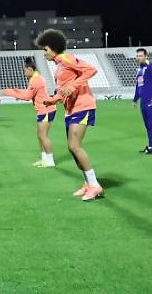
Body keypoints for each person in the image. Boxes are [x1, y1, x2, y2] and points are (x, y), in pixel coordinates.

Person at [37, 29, 103, 200]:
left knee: (75, 146)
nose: (44, 52)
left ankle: (95, 185)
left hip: (83, 105)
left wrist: (74, 85)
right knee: (72, 148)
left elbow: (91, 70)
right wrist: (54, 100)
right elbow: (64, 90)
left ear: (53, 48)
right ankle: (87, 183)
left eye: (45, 49)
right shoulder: (58, 66)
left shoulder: (66, 58)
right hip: (70, 109)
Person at [3, 57, 57, 167]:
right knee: (40, 135)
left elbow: (27, 97)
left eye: (24, 70)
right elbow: (29, 93)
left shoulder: (36, 80)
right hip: (45, 109)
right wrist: (18, 92)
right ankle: (44, 159)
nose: (23, 73)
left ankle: (50, 161)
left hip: (45, 110)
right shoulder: (36, 78)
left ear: (30, 69)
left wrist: (13, 93)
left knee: (43, 136)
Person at [132, 48, 152, 154]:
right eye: (137, 56)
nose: (138, 58)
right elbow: (138, 86)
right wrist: (135, 99)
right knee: (148, 124)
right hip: (143, 101)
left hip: (151, 99)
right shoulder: (139, 70)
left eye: (140, 56)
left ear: (145, 56)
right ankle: (150, 146)